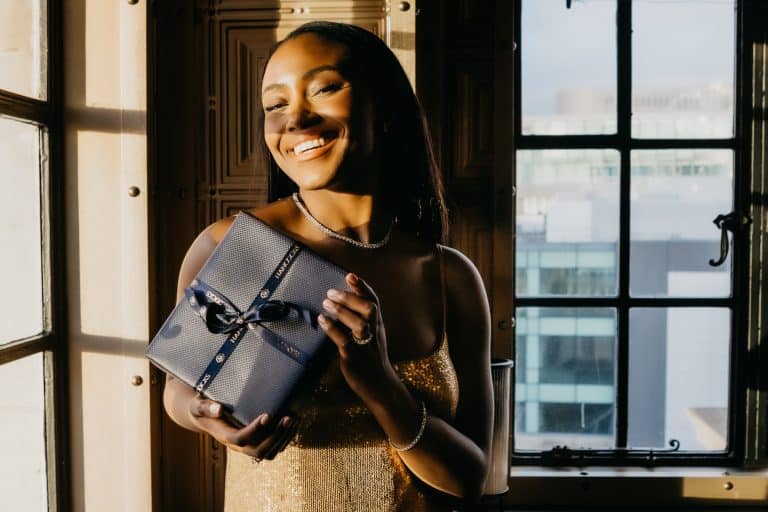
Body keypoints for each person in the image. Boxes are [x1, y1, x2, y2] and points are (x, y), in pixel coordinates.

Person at [162, 21, 493, 512]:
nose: (295, 119)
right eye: (275, 105)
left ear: (383, 109)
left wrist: (380, 384)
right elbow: (178, 389)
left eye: (324, 89)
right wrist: (205, 414)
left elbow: (469, 478)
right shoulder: (232, 244)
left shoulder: (450, 278)